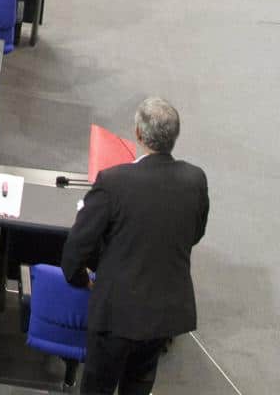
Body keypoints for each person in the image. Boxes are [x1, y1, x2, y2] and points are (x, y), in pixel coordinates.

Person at [61, 97, 209, 394]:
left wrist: (79, 277)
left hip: (116, 315)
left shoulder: (113, 181)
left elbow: (78, 245)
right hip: (161, 315)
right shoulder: (195, 179)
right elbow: (195, 233)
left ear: (139, 135)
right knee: (139, 385)